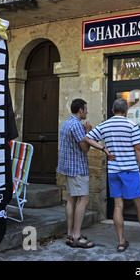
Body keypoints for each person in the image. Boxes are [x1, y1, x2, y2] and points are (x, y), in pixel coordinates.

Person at [84, 98, 140, 252]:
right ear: (126, 111)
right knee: (139, 206)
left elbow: (87, 138)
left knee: (118, 206)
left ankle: (121, 241)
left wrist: (103, 149)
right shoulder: (131, 125)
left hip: (114, 171)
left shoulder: (105, 125)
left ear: (113, 110)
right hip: (130, 171)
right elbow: (138, 149)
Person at [58, 99, 102, 248]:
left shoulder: (66, 123)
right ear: (80, 110)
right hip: (77, 168)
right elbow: (85, 148)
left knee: (71, 199)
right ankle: (77, 236)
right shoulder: (76, 125)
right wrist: (88, 131)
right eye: (86, 109)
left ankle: (70, 235)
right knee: (84, 199)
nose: (87, 112)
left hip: (68, 168)